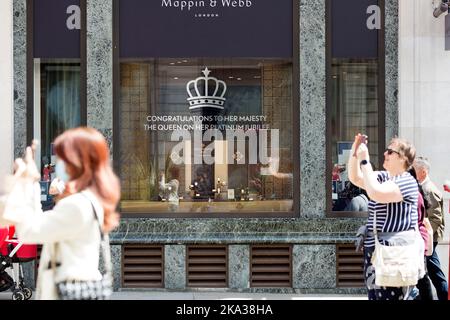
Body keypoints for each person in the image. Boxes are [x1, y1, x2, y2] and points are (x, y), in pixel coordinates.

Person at [2, 127, 120, 300]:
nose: (59, 164)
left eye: (63, 157)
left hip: (68, 292)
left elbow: (29, 231)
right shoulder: (87, 199)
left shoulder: (77, 206)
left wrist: (27, 182)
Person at [348, 134, 420, 300]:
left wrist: (365, 160)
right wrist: (355, 152)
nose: (384, 154)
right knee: (374, 296)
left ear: (402, 158)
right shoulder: (384, 176)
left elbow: (376, 193)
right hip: (376, 250)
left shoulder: (407, 181)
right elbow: (355, 177)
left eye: (390, 151)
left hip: (393, 253)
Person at [413, 157, 448, 300]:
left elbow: (436, 219)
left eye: (415, 169)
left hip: (429, 239)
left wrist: (425, 238)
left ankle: (444, 296)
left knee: (433, 272)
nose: (412, 172)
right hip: (427, 238)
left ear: (423, 171)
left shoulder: (428, 189)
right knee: (430, 272)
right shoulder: (424, 187)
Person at [408, 167, 434, 300]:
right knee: (421, 277)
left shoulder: (414, 193)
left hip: (416, 239)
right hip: (417, 238)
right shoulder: (415, 191)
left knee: (422, 276)